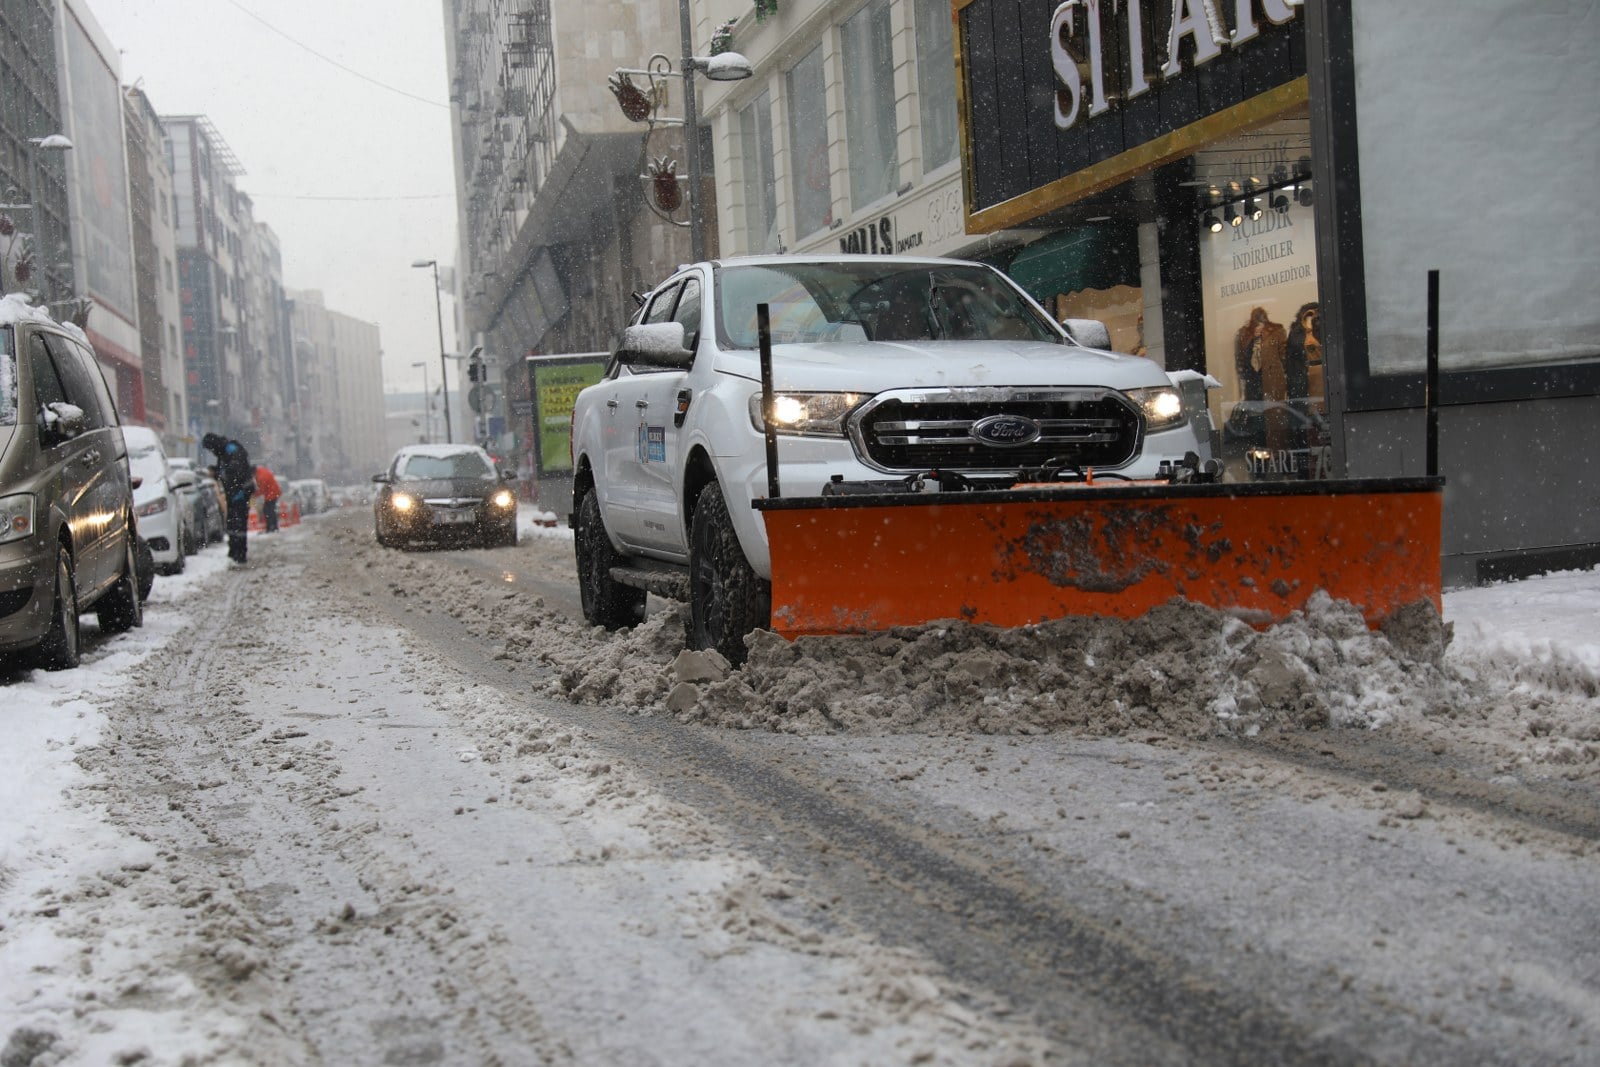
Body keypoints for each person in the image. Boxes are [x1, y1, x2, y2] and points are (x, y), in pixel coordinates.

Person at [203, 433, 254, 565]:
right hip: (233, 493)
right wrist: (216, 472)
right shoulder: (223, 452)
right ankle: (234, 551)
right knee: (232, 523)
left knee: (239, 524)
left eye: (210, 449)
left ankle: (240, 553)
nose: (212, 452)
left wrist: (218, 473)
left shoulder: (231, 449)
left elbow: (235, 471)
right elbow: (225, 471)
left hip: (240, 492)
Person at [255, 464, 282, 532]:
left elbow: (262, 488)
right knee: (270, 510)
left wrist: (256, 494)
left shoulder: (261, 475)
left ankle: (271, 527)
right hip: (273, 492)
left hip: (272, 493)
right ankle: (273, 526)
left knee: (268, 511)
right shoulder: (261, 471)